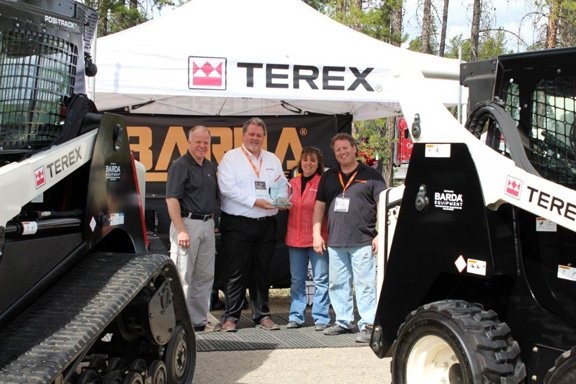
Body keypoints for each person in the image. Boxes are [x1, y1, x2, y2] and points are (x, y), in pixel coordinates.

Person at [312, 132, 386, 343]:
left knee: (364, 285)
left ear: (354, 149)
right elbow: (319, 207)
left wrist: (381, 233)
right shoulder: (328, 176)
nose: (342, 152)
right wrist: (316, 234)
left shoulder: (372, 174)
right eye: (338, 150)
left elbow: (383, 204)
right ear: (334, 154)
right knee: (338, 283)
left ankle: (368, 324)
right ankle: (343, 321)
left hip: (363, 240)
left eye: (346, 148)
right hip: (335, 241)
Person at [216, 117, 287, 332]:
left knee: (261, 271)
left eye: (259, 135)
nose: (255, 138)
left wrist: (281, 200)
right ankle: (230, 318)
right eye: (251, 134)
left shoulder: (272, 159)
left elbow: (281, 184)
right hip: (238, 224)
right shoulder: (231, 158)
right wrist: (254, 201)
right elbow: (227, 188)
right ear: (243, 135)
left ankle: (262, 315)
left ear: (264, 137)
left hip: (266, 224)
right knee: (235, 272)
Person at [165, 125, 220, 332]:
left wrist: (211, 223)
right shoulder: (180, 165)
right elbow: (172, 200)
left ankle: (197, 322)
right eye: (198, 142)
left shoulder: (208, 166)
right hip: (186, 224)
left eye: (206, 142)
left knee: (204, 276)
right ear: (189, 142)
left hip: (207, 225)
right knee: (182, 276)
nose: (202, 146)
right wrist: (181, 230)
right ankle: (178, 323)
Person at [285, 147, 331, 331]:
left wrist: (319, 235)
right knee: (297, 280)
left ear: (319, 164)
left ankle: (321, 318)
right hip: (294, 239)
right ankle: (296, 316)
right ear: (300, 162)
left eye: (312, 160)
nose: (308, 163)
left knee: (320, 279)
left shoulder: (323, 182)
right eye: (305, 159)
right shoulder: (291, 182)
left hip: (317, 238)